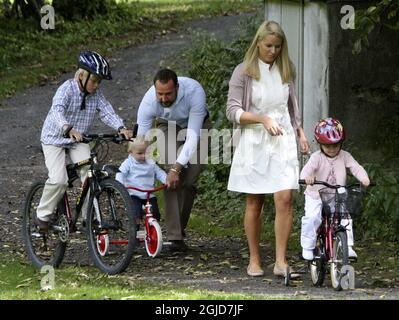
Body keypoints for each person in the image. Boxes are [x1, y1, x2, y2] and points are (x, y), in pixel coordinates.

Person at [226, 21, 310, 277]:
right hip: (254, 142)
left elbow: (292, 106)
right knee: (255, 202)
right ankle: (254, 259)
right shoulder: (244, 71)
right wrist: (262, 119)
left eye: (277, 46)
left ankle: (281, 261)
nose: (272, 51)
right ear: (258, 43)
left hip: (282, 139)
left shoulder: (286, 69)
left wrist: (300, 132)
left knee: (284, 198)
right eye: (268, 45)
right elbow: (232, 111)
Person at [35, 50, 133, 231]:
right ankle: (42, 215)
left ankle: (89, 216)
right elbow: (57, 110)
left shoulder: (96, 95)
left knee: (89, 174)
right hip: (54, 138)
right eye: (94, 80)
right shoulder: (66, 89)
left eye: (99, 81)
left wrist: (121, 128)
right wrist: (68, 128)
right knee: (59, 180)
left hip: (77, 140)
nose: (96, 85)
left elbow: (107, 111)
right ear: (81, 75)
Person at [136, 68, 212, 252]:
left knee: (188, 181)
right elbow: (141, 138)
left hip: (198, 127)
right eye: (159, 94)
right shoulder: (148, 101)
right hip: (167, 125)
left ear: (177, 87)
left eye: (168, 94)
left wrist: (178, 169)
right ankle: (174, 237)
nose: (163, 99)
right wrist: (137, 166)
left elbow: (192, 137)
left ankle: (179, 229)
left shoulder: (194, 92)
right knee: (170, 176)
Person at [300, 117, 370, 261]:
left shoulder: (345, 156)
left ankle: (348, 246)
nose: (332, 149)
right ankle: (308, 246)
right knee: (312, 218)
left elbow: (356, 167)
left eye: (335, 145)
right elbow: (305, 172)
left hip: (337, 195)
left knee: (345, 217)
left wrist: (364, 178)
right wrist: (307, 178)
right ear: (320, 144)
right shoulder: (316, 157)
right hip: (316, 195)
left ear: (341, 143)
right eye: (327, 146)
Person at [116, 138, 167, 224]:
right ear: (131, 152)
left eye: (146, 153)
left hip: (149, 194)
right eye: (140, 153)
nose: (144, 156)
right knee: (135, 213)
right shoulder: (128, 163)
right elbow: (120, 173)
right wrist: (120, 185)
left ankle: (152, 229)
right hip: (134, 194)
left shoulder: (151, 163)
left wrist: (166, 179)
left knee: (155, 213)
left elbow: (159, 172)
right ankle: (135, 231)